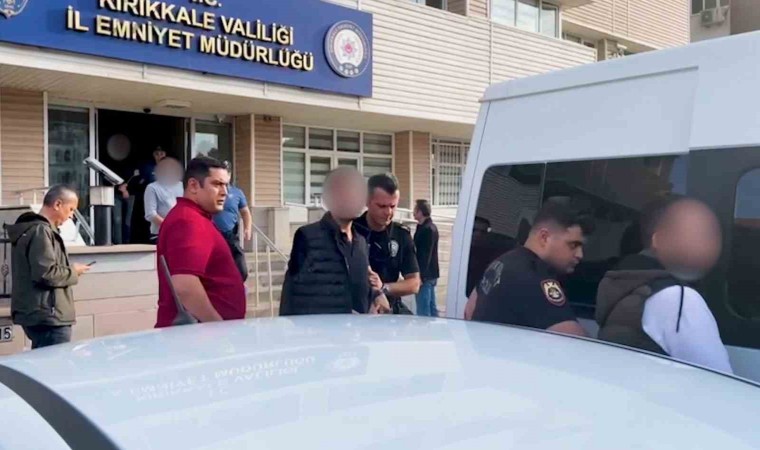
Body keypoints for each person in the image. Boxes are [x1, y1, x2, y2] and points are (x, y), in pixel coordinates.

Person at [595, 196, 732, 373]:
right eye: (697, 235)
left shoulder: (626, 282)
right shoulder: (678, 298)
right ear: (659, 240)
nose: (709, 245)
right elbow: (717, 380)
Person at [465, 202, 593, 337]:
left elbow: (469, 310)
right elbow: (574, 340)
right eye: (573, 245)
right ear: (544, 238)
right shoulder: (534, 277)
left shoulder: (504, 260)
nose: (580, 255)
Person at [280, 167, 391, 316]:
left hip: (358, 329)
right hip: (322, 329)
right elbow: (291, 294)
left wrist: (376, 296)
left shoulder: (361, 243)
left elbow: (360, 286)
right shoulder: (308, 237)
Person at [155, 156, 246, 327]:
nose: (225, 192)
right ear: (193, 186)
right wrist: (219, 328)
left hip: (201, 335)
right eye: (217, 184)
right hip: (198, 337)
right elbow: (185, 285)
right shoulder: (188, 220)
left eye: (226, 185)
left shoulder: (196, 218)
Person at [8, 185, 91, 349]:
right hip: (49, 315)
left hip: (38, 312)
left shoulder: (32, 229)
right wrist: (73, 271)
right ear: (57, 204)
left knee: (43, 360)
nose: (71, 216)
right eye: (71, 209)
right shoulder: (41, 231)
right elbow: (46, 273)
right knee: (55, 362)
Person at [354, 173, 421, 314]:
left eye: (393, 206)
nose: (388, 212)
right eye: (382, 206)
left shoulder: (401, 235)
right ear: (367, 201)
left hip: (390, 311)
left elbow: (414, 283)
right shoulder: (351, 231)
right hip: (356, 313)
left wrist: (384, 288)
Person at [117, 146, 167, 244]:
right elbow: (138, 183)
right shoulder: (148, 168)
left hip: (163, 201)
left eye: (161, 154)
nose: (159, 156)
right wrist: (128, 190)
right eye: (157, 154)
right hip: (146, 200)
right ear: (153, 155)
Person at [213, 177, 252, 282]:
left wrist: (247, 228)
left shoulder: (237, 192)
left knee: (241, 270)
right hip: (213, 235)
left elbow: (245, 212)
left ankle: (238, 285)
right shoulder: (211, 191)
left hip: (231, 235)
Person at [144, 157, 184, 243]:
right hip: (160, 234)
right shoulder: (152, 188)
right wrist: (170, 227)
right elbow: (150, 214)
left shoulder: (183, 186)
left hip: (182, 233)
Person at [413, 200, 440, 317]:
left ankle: (425, 329)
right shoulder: (425, 227)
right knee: (431, 308)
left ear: (420, 211)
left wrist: (420, 276)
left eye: (415, 210)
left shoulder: (427, 229)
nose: (413, 212)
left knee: (423, 311)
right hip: (429, 274)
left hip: (425, 275)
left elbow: (425, 255)